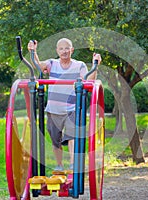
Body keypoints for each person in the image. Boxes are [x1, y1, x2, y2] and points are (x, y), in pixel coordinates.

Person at [28, 38, 101, 171]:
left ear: (72, 50)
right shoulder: (52, 63)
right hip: (53, 109)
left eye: (67, 48)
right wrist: (33, 51)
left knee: (72, 135)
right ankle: (59, 165)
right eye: (61, 49)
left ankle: (73, 165)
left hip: (71, 109)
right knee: (56, 141)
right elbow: (38, 65)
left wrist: (95, 64)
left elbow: (90, 80)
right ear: (57, 51)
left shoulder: (79, 65)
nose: (64, 51)